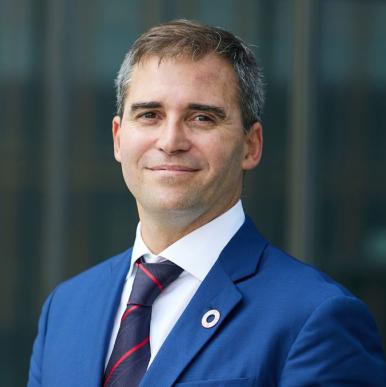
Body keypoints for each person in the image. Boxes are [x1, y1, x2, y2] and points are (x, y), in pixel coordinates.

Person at [28, 19, 386, 387]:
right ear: (119, 138)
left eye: (201, 117)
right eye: (150, 115)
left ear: (251, 145)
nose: (171, 140)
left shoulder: (315, 318)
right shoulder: (66, 309)